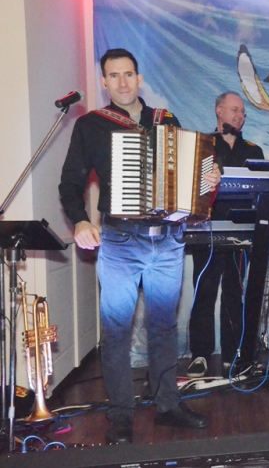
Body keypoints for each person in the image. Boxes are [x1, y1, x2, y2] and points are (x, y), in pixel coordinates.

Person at [59, 48, 220, 443]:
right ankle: (120, 416)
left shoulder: (167, 120)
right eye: (113, 75)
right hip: (120, 240)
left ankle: (167, 406)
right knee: (117, 330)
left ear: (139, 78)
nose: (122, 82)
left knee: (164, 327)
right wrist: (80, 220)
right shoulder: (91, 126)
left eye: (128, 74)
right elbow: (70, 182)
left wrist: (207, 180)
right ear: (104, 82)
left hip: (167, 240)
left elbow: (189, 182)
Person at [186, 92, 264, 378]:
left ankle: (234, 355)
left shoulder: (253, 150)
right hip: (207, 229)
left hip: (241, 231)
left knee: (235, 292)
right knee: (204, 291)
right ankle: (200, 355)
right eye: (234, 110)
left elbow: (261, 189)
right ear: (219, 111)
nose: (239, 116)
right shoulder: (203, 145)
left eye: (242, 112)